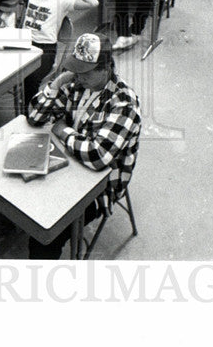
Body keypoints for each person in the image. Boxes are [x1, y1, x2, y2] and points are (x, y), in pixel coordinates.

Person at [23, 31, 142, 259]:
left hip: (100, 186)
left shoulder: (124, 103)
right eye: (74, 69)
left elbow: (97, 157)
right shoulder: (76, 84)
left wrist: (63, 131)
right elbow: (34, 117)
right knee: (21, 199)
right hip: (69, 164)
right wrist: (55, 85)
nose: (77, 76)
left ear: (106, 67)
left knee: (44, 238)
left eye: (85, 72)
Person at [11, 0, 99, 102]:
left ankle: (29, 112)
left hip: (45, 48)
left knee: (30, 78)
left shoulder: (62, 0)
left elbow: (93, 2)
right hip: (25, 42)